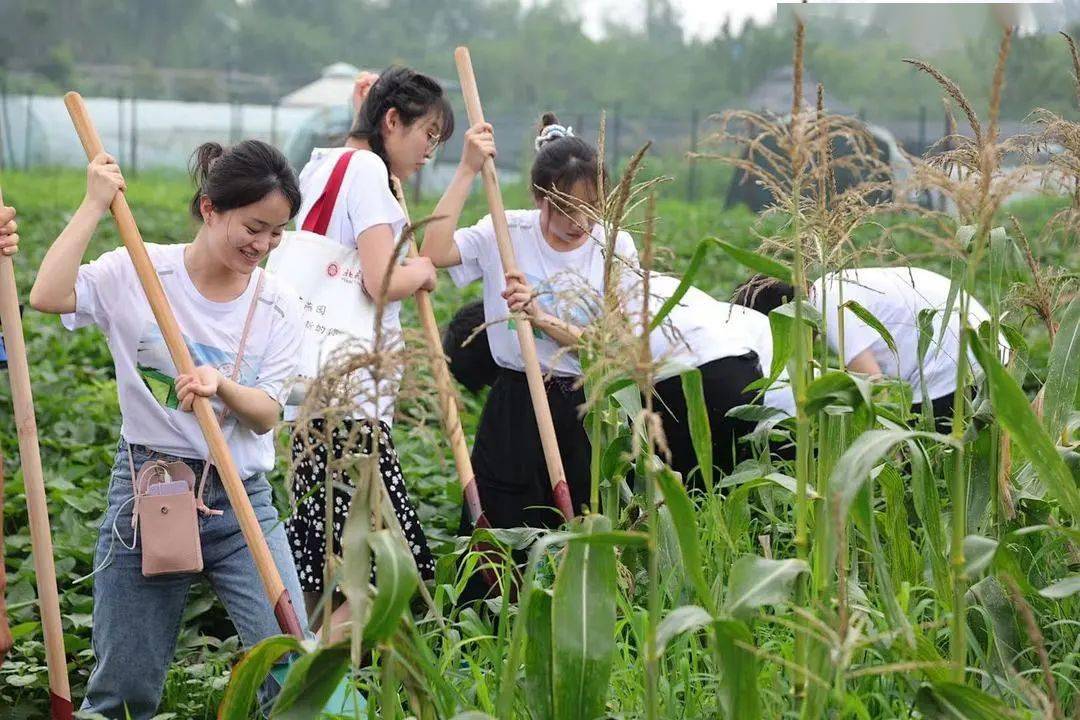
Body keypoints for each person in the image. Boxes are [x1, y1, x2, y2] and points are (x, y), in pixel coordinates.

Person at [29, 141, 307, 718]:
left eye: (277, 233)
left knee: (291, 668)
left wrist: (221, 386)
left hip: (242, 503)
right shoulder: (136, 270)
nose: (263, 246)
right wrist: (92, 205)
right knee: (124, 691)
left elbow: (267, 413)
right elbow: (48, 295)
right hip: (148, 491)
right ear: (209, 208)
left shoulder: (279, 305)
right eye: (254, 227)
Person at [284, 66, 454, 610]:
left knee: (325, 543)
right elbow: (381, 280)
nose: (430, 150)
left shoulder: (327, 163)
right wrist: (424, 269)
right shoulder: (368, 173)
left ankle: (305, 664)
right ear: (391, 120)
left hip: (311, 389)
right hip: (350, 395)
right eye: (427, 134)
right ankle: (346, 674)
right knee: (389, 557)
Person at [422, 112, 638, 529]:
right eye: (566, 208)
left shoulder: (613, 246)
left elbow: (613, 346)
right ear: (540, 198)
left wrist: (540, 318)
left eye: (592, 208)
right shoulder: (506, 232)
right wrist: (467, 168)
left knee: (580, 527)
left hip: (587, 407)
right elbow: (432, 250)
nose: (580, 223)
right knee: (500, 533)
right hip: (516, 402)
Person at [735, 267, 998, 432]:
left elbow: (874, 388)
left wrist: (885, 455)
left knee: (924, 461)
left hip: (956, 365)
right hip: (982, 348)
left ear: (783, 317)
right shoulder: (831, 287)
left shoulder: (830, 308)